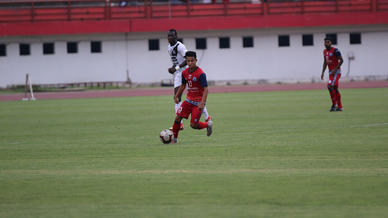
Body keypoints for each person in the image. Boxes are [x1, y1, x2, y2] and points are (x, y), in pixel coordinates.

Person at [167, 29, 211, 130]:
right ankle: (181, 123)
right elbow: (176, 61)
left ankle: (207, 118)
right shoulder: (169, 47)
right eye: (168, 36)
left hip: (188, 72)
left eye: (172, 36)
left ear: (176, 36)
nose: (170, 38)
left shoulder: (180, 47)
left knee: (197, 96)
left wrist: (176, 68)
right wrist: (173, 68)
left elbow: (187, 60)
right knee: (177, 97)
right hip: (178, 74)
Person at [171, 51, 213, 143]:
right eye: (188, 61)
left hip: (198, 103)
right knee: (178, 117)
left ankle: (208, 124)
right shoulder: (184, 73)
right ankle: (174, 139)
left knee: (193, 125)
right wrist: (177, 95)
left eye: (192, 61)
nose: (190, 63)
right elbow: (183, 86)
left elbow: (206, 89)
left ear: (196, 60)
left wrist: (202, 103)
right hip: (188, 101)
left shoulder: (201, 74)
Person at [321, 37, 344, 112]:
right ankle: (340, 107)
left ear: (331, 43)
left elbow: (341, 60)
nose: (326, 44)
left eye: (328, 42)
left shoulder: (335, 50)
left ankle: (334, 105)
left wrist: (335, 69)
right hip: (330, 72)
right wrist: (323, 72)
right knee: (335, 89)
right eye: (325, 42)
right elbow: (325, 62)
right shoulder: (324, 51)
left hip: (336, 72)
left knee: (330, 86)